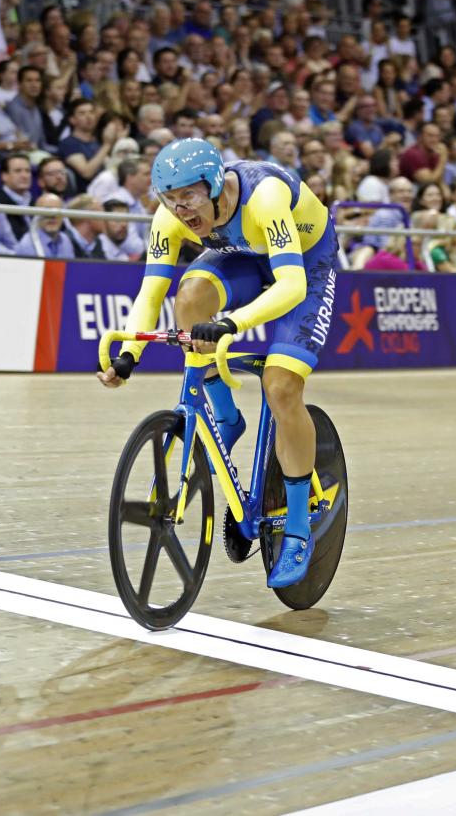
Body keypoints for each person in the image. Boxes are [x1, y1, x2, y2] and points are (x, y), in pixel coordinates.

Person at [98, 138, 340, 589]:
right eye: (170, 200)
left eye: (188, 197)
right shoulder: (168, 220)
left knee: (282, 386)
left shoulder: (264, 196)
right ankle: (224, 416)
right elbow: (151, 294)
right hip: (245, 257)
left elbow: (290, 286)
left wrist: (232, 323)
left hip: (304, 265)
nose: (180, 210)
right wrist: (130, 353)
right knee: (188, 298)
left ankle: (299, 528)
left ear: (212, 185)